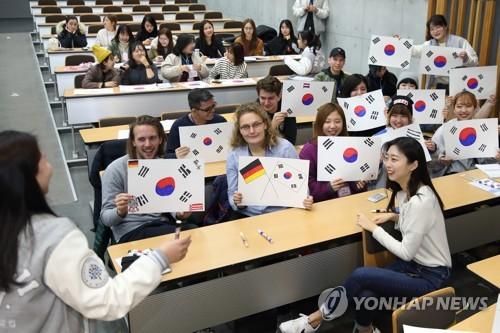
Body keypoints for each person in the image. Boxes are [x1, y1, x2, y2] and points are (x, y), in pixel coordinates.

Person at [0, 130, 191, 332]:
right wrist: (160, 258)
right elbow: (107, 300)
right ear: (29, 176)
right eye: (44, 159)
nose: (50, 166)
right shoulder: (56, 236)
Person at [280, 136, 452, 333]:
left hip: (432, 276)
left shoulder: (421, 201)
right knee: (365, 295)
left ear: (413, 165)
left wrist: (373, 228)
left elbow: (406, 252)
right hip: (414, 267)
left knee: (361, 275)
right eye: (387, 158)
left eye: (395, 159)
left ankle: (314, 320)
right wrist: (393, 217)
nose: (387, 164)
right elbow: (416, 224)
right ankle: (366, 330)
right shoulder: (407, 192)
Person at [101, 116, 195, 243]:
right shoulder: (115, 170)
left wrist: (179, 214)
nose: (148, 144)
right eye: (141, 139)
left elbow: (167, 201)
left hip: (162, 224)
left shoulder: (163, 165)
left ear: (160, 139)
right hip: (131, 231)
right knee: (186, 239)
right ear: (133, 141)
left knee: (194, 232)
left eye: (152, 138)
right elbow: (106, 219)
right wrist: (120, 211)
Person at [226, 103, 313, 218]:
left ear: (265, 124)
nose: (252, 131)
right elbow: (232, 194)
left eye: (256, 124)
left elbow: (300, 186)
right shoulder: (234, 155)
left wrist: (305, 199)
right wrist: (238, 203)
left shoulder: (285, 148)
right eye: (245, 127)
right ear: (240, 131)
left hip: (283, 213)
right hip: (248, 215)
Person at [299, 103, 365, 202]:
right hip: (323, 205)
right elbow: (306, 186)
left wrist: (358, 185)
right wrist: (328, 187)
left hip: (350, 202)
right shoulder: (309, 150)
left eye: (337, 121)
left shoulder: (351, 145)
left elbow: (355, 180)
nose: (333, 126)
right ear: (320, 124)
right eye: (327, 122)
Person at [429, 91, 499, 177]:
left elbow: (489, 159)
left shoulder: (482, 128)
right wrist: (441, 158)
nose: (464, 110)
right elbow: (432, 156)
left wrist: (495, 156)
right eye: (459, 106)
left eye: (468, 106)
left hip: (478, 174)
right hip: (451, 174)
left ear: (475, 108)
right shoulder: (445, 128)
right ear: (454, 109)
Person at [411, 14, 478, 91]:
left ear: (445, 26)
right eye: (432, 29)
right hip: (438, 86)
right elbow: (414, 50)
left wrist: (466, 59)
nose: (435, 31)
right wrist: (399, 43)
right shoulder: (429, 45)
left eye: (438, 27)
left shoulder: (460, 42)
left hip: (460, 85)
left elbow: (475, 62)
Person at [166, 88, 227, 159]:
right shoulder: (179, 125)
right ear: (194, 111)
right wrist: (176, 156)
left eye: (213, 106)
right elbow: (168, 155)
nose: (213, 110)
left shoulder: (220, 121)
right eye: (207, 109)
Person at [256, 75, 297, 144]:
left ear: (279, 96)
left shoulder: (287, 109)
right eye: (263, 98)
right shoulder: (254, 111)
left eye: (271, 98)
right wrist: (272, 127)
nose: (266, 103)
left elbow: (291, 141)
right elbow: (257, 144)